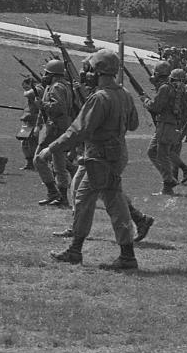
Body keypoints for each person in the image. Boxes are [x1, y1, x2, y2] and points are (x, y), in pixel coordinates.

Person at [44, 49, 141, 270]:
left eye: (89, 69)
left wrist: (51, 148)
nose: (85, 73)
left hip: (99, 158)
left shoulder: (99, 97)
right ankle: (123, 255)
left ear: (97, 71)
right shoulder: (124, 94)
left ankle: (78, 251)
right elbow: (134, 124)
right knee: (113, 201)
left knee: (85, 199)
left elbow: (78, 131)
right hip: (116, 154)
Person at [141, 62, 187, 196]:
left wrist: (145, 100)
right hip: (166, 124)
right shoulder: (169, 87)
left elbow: (156, 107)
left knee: (162, 154)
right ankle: (172, 177)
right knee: (152, 152)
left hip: (166, 124)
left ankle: (168, 184)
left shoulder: (165, 88)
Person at [33, 59, 75, 206]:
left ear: (52, 74)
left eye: (46, 73)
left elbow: (58, 107)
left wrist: (42, 104)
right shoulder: (63, 86)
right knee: (59, 165)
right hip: (61, 127)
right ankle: (62, 198)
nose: (44, 75)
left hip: (54, 128)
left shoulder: (56, 87)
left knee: (39, 159)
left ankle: (53, 192)